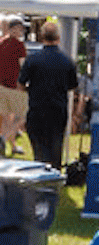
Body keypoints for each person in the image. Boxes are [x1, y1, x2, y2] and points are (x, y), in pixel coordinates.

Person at [20, 19, 78, 168]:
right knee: (55, 148)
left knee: (39, 151)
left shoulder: (32, 59)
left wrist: (30, 90)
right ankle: (55, 178)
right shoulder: (67, 61)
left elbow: (20, 83)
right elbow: (72, 86)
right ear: (58, 38)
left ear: (41, 37)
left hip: (37, 109)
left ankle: (40, 179)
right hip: (58, 110)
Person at [0, 15, 30, 156]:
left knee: (7, 118)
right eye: (20, 28)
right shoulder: (19, 45)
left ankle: (11, 146)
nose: (21, 31)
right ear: (13, 29)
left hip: (1, 86)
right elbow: (23, 66)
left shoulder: (1, 42)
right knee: (21, 117)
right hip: (15, 86)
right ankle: (3, 139)